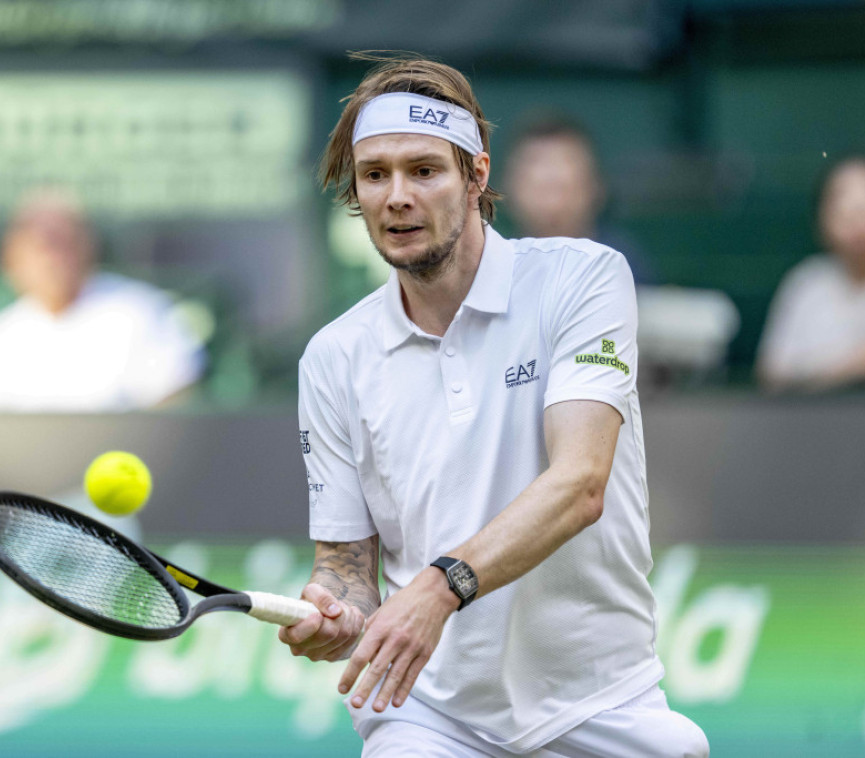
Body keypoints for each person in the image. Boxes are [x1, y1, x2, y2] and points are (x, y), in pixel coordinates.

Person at [278, 54, 708, 757]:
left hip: (602, 700)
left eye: (424, 170)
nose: (396, 197)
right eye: (375, 175)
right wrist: (336, 609)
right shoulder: (333, 356)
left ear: (477, 176)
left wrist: (437, 589)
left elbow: (580, 485)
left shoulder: (584, 278)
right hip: (430, 715)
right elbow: (346, 563)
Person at [0, 188, 205, 412]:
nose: (51, 257)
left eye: (61, 242)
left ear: (87, 246)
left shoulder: (140, 311)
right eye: (39, 244)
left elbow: (176, 407)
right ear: (12, 258)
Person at [757, 155, 865, 392]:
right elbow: (772, 374)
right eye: (844, 204)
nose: (859, 218)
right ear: (823, 216)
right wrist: (864, 363)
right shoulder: (805, 285)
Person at [504, 114, 657, 285]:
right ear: (509, 188)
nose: (551, 175)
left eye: (566, 162)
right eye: (535, 163)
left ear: (596, 187)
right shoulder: (491, 265)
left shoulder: (622, 264)